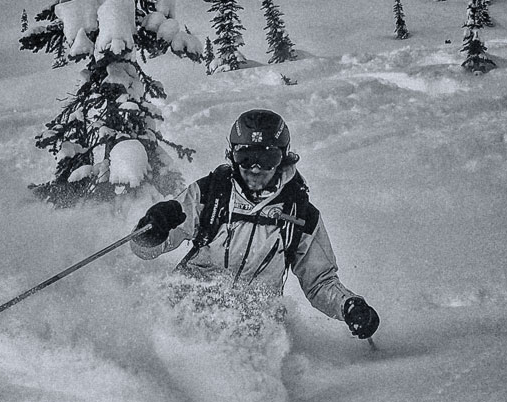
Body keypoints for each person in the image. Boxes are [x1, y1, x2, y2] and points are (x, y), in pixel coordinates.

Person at [131, 109, 380, 339]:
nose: (256, 168)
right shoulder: (210, 194)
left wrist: (348, 306)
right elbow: (143, 251)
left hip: (251, 323)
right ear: (233, 154)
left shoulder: (300, 214)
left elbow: (319, 283)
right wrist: (152, 231)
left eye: (267, 157)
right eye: (246, 156)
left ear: (282, 157)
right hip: (186, 305)